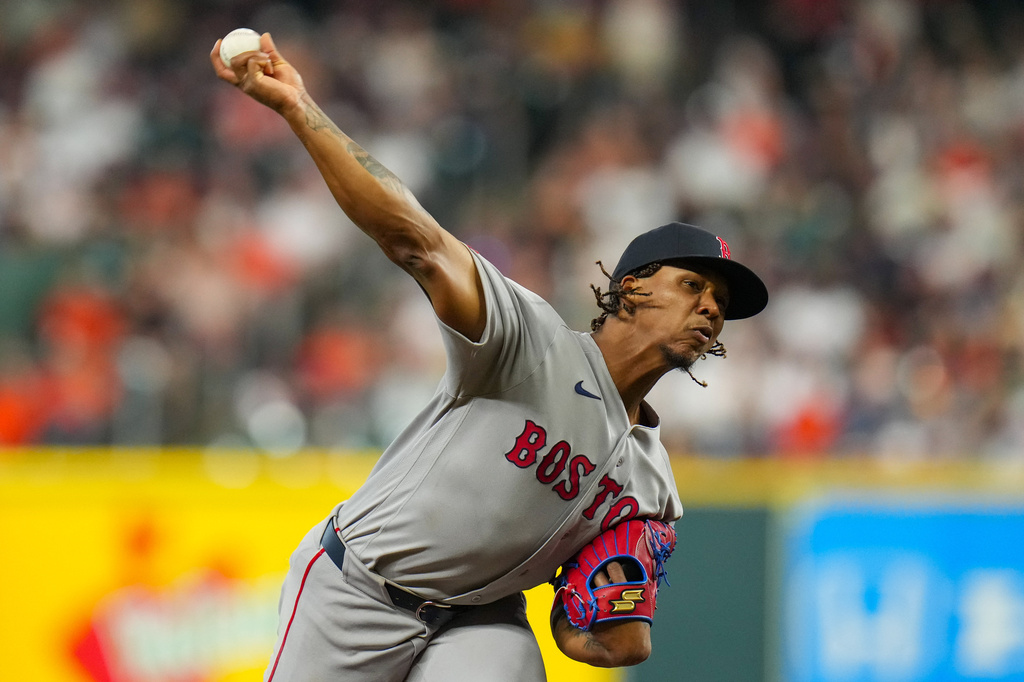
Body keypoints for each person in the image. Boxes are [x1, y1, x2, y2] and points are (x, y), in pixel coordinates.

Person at [211, 32, 768, 682]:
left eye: (721, 302)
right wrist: (299, 108)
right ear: (632, 288)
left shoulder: (652, 484)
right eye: (694, 286)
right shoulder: (530, 342)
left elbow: (599, 643)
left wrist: (603, 628)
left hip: (481, 621)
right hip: (359, 589)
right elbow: (416, 239)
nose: (710, 308)